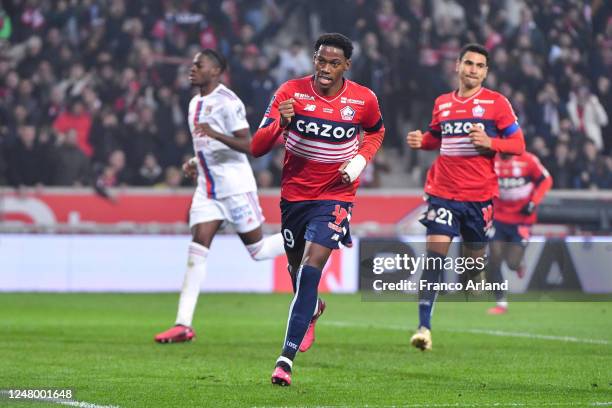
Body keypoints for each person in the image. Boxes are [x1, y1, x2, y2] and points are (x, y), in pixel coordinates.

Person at [251, 33, 385, 386]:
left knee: (311, 269)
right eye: (321, 61)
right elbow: (257, 146)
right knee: (296, 269)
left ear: (346, 66)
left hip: (337, 195)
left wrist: (359, 160)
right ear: (314, 60)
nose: (326, 69)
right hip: (294, 196)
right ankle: (311, 309)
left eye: (334, 63)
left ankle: (285, 360)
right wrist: (280, 121)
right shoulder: (289, 92)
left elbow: (375, 132)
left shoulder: (363, 99)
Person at [154, 49, 285, 344]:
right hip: (207, 190)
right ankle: (183, 325)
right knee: (197, 248)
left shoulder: (228, 103)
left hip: (236, 188)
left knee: (259, 251)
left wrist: (215, 134)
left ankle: (303, 240)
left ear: (215, 71)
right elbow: (205, 146)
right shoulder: (193, 103)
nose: (192, 69)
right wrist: (194, 162)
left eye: (198, 65)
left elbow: (250, 145)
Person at [405, 43, 525, 351]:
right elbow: (436, 137)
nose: (472, 69)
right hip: (443, 191)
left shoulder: (496, 103)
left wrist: (491, 142)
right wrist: (423, 141)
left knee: (471, 268)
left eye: (479, 65)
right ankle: (423, 328)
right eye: (468, 63)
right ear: (457, 66)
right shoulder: (442, 103)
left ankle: (476, 268)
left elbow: (518, 144)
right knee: (434, 260)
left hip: (479, 197)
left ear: (485, 72)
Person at [486, 151, 553, 314]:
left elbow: (546, 180)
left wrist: (533, 202)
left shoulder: (529, 160)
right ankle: (501, 303)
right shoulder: (490, 160)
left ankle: (518, 264)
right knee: (494, 257)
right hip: (499, 217)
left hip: (522, 219)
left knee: (512, 263)